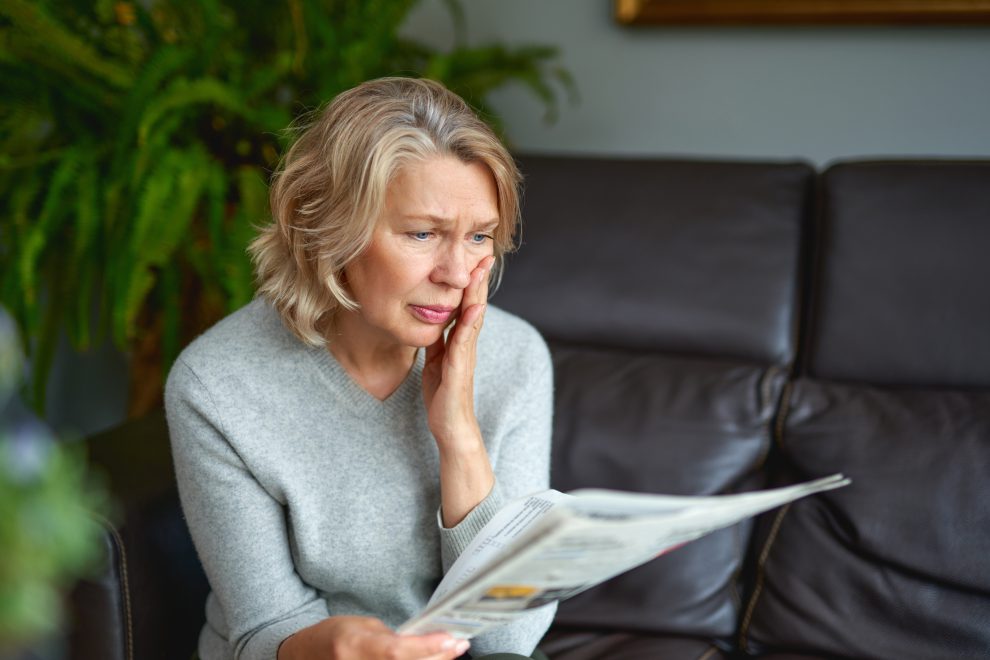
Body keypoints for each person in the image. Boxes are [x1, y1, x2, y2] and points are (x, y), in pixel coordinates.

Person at [165, 77, 556, 660]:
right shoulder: (217, 386)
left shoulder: (517, 356)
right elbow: (263, 629)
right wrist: (347, 646)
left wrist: (459, 438)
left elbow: (508, 640)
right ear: (327, 228)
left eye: (479, 237)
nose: (456, 271)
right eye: (422, 233)